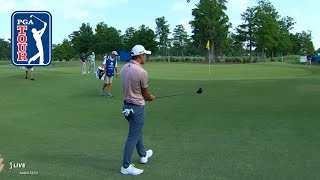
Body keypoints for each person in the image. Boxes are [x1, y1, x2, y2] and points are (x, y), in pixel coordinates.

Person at [119, 45, 155, 175]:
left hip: (126, 107)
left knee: (136, 131)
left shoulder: (124, 68)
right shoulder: (142, 72)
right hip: (137, 108)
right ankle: (126, 166)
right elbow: (146, 95)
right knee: (132, 137)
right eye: (145, 54)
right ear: (140, 56)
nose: (146, 56)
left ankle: (143, 155)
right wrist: (150, 97)